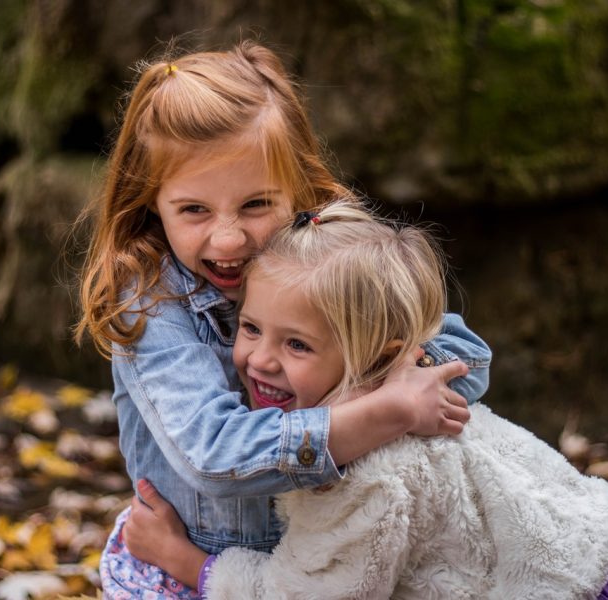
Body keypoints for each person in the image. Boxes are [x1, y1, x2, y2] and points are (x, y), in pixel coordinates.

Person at [75, 42, 491, 599]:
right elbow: (214, 455)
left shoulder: (326, 262)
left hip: (322, 563)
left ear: (299, 188)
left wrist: (382, 388)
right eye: (194, 210)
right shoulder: (152, 302)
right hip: (190, 569)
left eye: (255, 205)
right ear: (151, 201)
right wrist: (380, 411)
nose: (228, 239)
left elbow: (466, 361)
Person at [129, 200, 608, 599]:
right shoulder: (416, 393)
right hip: (597, 563)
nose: (261, 360)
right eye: (249, 327)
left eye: (296, 344)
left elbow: (304, 596)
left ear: (376, 356)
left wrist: (185, 561)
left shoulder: (365, 473)